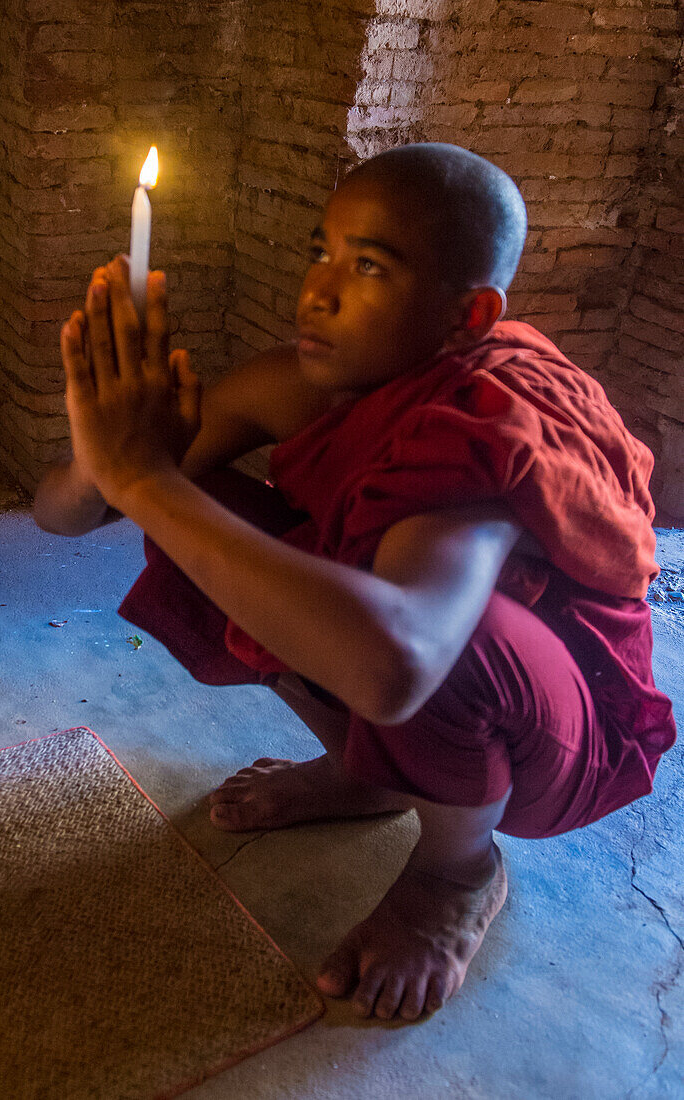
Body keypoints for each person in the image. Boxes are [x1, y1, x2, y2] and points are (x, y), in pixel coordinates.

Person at [34, 143, 676, 1022]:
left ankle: (455, 871)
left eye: (368, 265)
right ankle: (363, 770)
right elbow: (63, 516)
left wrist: (147, 480)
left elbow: (400, 663)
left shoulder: (489, 427)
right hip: (421, 687)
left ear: (466, 316)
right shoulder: (294, 382)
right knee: (202, 527)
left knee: (439, 635)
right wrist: (107, 453)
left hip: (550, 746)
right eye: (320, 250)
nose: (319, 291)